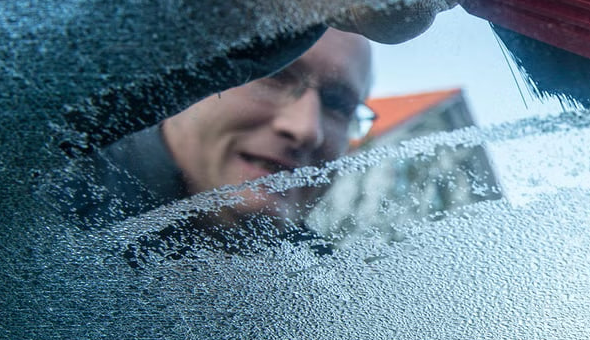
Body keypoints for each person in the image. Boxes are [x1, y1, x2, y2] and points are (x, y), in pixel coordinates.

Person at [66, 27, 375, 242]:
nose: (306, 129)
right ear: (187, 76)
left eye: (338, 104)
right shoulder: (53, 203)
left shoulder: (333, 295)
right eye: (273, 76)